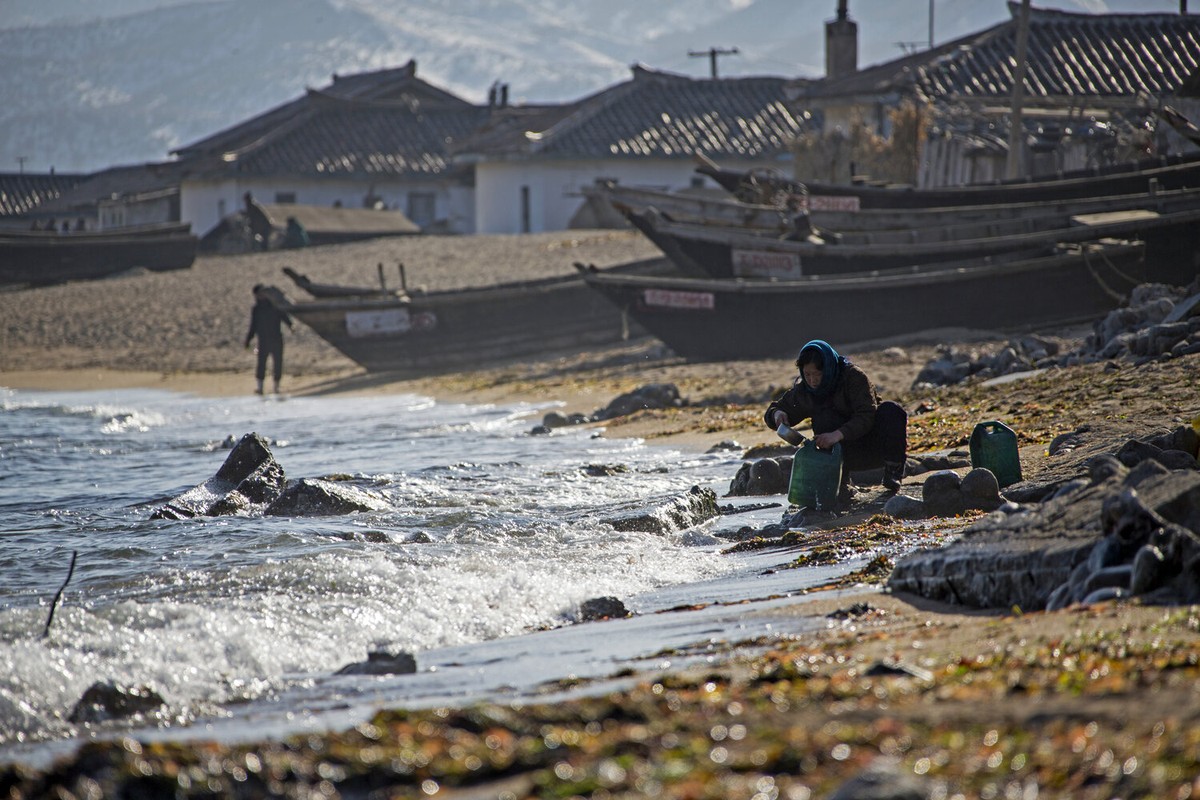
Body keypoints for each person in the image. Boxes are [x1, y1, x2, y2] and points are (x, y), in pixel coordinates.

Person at [765, 339, 908, 506]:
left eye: (818, 374)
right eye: (808, 374)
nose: (813, 380)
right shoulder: (806, 390)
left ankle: (893, 472)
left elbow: (866, 415)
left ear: (828, 367)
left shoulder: (853, 377)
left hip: (872, 445)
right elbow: (776, 408)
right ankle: (841, 481)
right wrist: (777, 414)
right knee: (824, 416)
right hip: (839, 456)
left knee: (891, 410)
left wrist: (837, 435)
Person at [244, 285, 294, 394]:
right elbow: (253, 326)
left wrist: (290, 325)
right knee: (261, 363)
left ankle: (276, 387)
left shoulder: (274, 306)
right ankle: (260, 388)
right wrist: (248, 340)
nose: (261, 295)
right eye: (259, 294)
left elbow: (284, 317)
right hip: (263, 341)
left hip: (276, 338)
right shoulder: (256, 309)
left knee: (278, 363)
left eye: (263, 293)